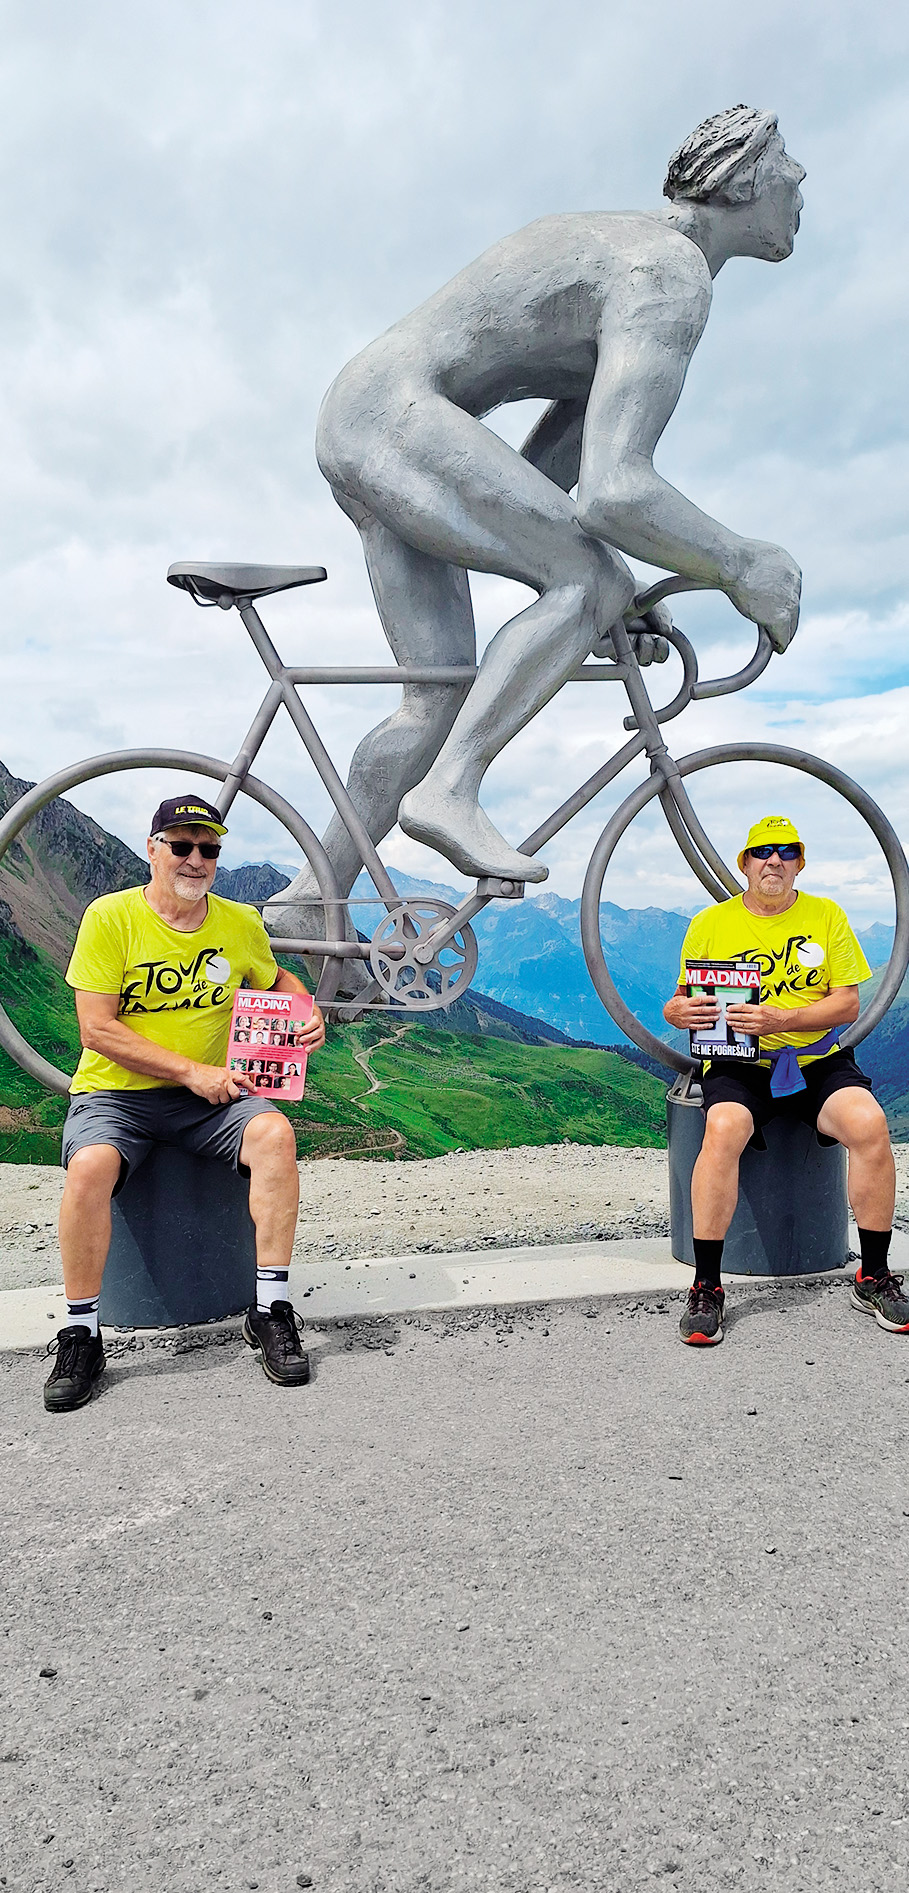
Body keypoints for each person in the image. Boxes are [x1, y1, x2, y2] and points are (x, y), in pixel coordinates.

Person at [274, 104, 805, 976]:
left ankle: (308, 894)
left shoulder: (633, 256)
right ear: (741, 181)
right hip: (398, 417)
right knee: (587, 578)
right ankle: (451, 789)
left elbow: (552, 477)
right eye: (786, 162)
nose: (801, 180)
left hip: (372, 413)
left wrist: (605, 596)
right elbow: (616, 491)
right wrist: (742, 562)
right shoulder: (667, 274)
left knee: (438, 696)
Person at [43, 793, 326, 1413]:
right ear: (153, 850)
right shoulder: (109, 918)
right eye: (181, 846)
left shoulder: (240, 923)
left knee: (276, 1138)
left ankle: (271, 1308)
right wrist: (191, 1071)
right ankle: (81, 1333)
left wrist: (306, 1013)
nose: (196, 859)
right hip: (117, 1095)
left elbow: (276, 980)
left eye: (209, 849)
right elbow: (98, 1030)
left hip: (211, 1098)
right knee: (89, 1166)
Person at [664, 814, 907, 1345]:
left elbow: (847, 1002)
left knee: (869, 1125)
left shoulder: (827, 916)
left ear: (799, 864)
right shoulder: (710, 923)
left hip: (814, 1056)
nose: (774, 860)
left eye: (787, 851)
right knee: (723, 1129)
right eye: (763, 852)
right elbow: (683, 998)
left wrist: (782, 1020)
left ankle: (873, 1274)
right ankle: (707, 1286)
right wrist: (677, 1012)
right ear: (745, 864)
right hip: (737, 1062)